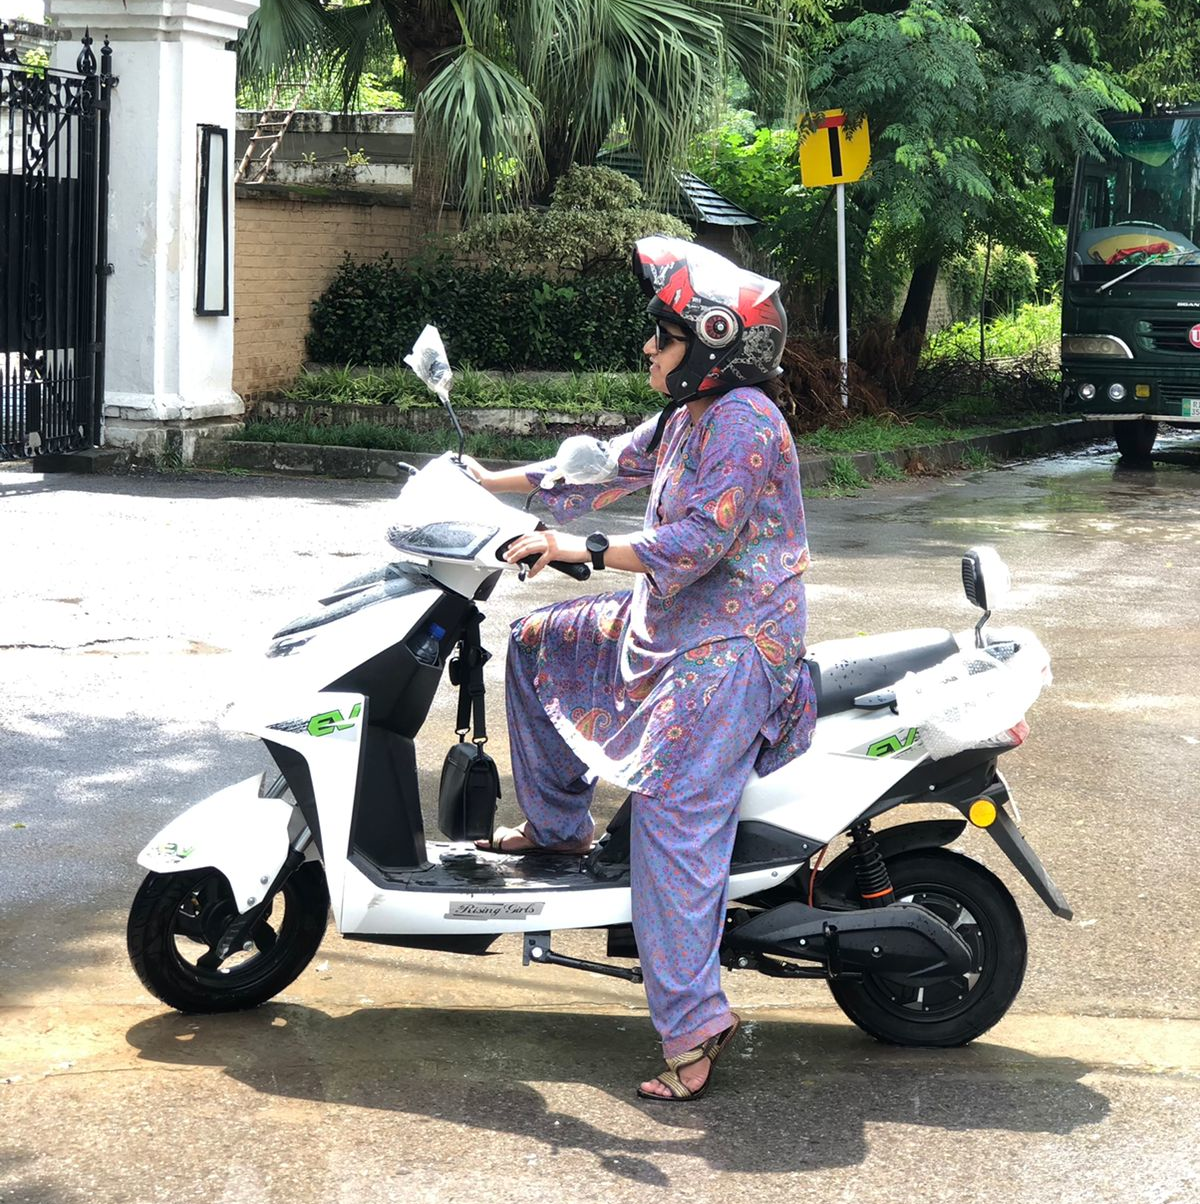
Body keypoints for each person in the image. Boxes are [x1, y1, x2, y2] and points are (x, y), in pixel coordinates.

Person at [462, 235, 817, 1102]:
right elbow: (599, 469)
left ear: (711, 340)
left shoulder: (747, 424)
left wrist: (579, 547)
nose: (649, 349)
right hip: (673, 624)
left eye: (663, 336)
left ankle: (695, 1025)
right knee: (537, 645)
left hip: (736, 648)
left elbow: (695, 543)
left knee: (669, 814)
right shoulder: (689, 416)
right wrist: (486, 482)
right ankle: (557, 828)